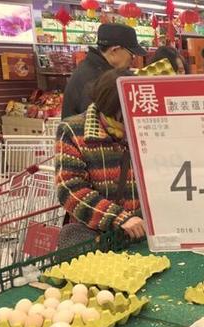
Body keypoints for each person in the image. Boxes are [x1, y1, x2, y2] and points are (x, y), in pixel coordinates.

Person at [55, 68, 145, 248]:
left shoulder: (144, 128)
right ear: (109, 108)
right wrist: (118, 217)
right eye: (122, 116)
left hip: (140, 236)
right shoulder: (73, 131)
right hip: (95, 240)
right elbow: (70, 189)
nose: (129, 122)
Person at [61, 23, 146, 119]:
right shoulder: (94, 79)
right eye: (132, 55)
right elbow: (100, 121)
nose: (132, 60)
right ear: (114, 50)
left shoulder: (92, 68)